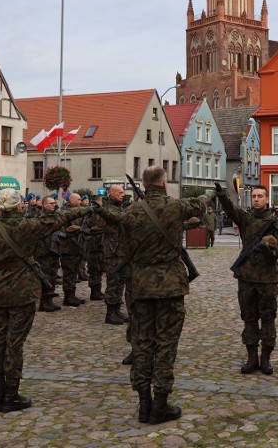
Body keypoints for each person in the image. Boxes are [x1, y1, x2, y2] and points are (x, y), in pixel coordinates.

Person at [0, 188, 91, 412]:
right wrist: (83, 209)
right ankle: (11, 395)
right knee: (14, 345)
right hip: (21, 289)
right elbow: (56, 220)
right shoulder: (26, 226)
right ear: (18, 205)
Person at [120, 166, 211, 424]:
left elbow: (126, 252)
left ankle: (143, 404)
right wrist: (209, 196)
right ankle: (160, 405)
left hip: (140, 287)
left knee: (142, 343)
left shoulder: (129, 213)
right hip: (170, 286)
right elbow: (199, 204)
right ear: (163, 184)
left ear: (143, 184)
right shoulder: (175, 207)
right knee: (166, 344)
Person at [215, 183, 278, 376]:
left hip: (267, 280)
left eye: (260, 196)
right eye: (254, 196)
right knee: (248, 318)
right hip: (246, 278)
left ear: (267, 199)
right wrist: (222, 196)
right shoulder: (246, 219)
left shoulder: (276, 223)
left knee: (268, 318)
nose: (256, 199)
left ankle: (265, 358)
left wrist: (269, 249)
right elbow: (231, 210)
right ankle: (252, 357)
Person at [94, 184, 130, 325]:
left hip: (122, 251)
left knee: (121, 282)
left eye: (123, 192)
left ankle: (117, 310)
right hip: (113, 251)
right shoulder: (106, 209)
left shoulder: (119, 207)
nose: (123, 194)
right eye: (120, 192)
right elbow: (118, 218)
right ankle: (110, 313)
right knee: (113, 282)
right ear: (111, 194)